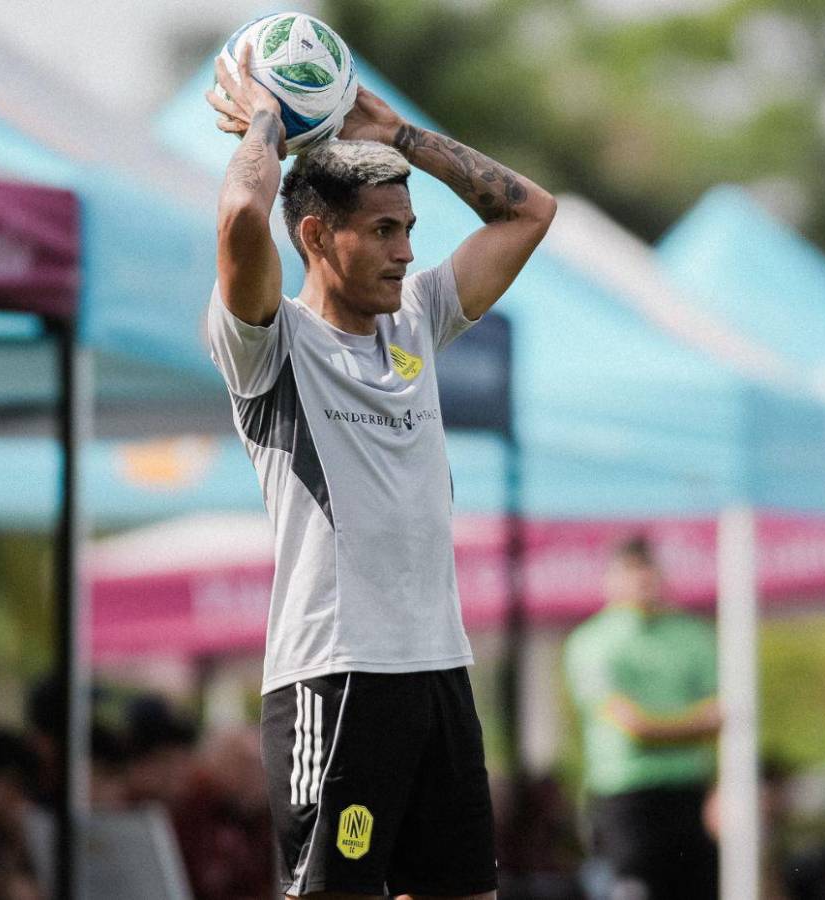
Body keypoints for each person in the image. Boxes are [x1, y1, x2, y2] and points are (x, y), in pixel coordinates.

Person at [204, 40, 556, 898]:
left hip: (438, 670)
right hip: (335, 675)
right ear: (317, 236)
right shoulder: (270, 344)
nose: (405, 254)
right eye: (383, 231)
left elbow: (529, 214)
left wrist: (403, 138)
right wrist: (265, 121)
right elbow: (244, 216)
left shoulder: (416, 322)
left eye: (409, 232)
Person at [563, 536, 721, 900]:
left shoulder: (692, 635)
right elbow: (632, 726)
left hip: (689, 793)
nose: (642, 579)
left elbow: (721, 715)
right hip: (627, 799)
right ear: (610, 580)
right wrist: (693, 727)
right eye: (631, 571)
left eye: (648, 568)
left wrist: (663, 729)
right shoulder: (592, 642)